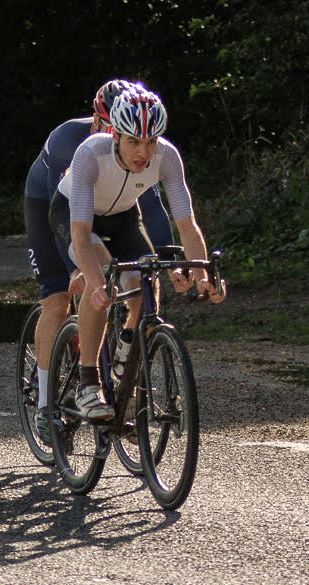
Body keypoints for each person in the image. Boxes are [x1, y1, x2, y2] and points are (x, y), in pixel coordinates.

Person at [47, 84, 225, 429]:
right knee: (103, 286)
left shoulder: (167, 156)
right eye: (134, 142)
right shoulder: (90, 154)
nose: (143, 152)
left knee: (146, 288)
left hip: (125, 217)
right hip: (76, 215)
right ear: (114, 135)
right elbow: (81, 234)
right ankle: (87, 382)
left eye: (151, 142)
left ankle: (125, 360)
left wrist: (202, 276)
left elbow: (187, 225)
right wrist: (97, 285)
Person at [23, 79, 172, 423]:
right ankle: (46, 406)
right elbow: (63, 217)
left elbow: (150, 207)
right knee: (59, 299)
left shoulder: (136, 153)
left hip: (110, 210)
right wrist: (76, 267)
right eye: (108, 127)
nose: (112, 137)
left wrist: (166, 259)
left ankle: (123, 353)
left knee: (138, 277)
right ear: (97, 119)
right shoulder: (68, 143)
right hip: (51, 207)